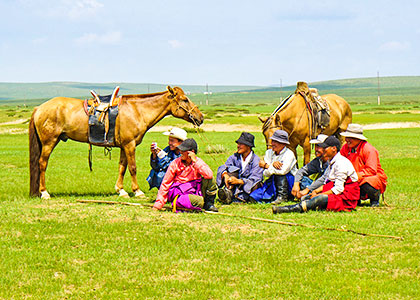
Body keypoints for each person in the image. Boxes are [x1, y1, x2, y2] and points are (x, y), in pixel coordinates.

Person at [272, 136, 360, 214]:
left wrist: (318, 195)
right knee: (306, 198)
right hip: (333, 189)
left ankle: (289, 209)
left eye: (325, 147)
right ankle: (306, 204)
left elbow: (338, 189)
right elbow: (327, 181)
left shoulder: (341, 163)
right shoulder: (331, 161)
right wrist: (315, 191)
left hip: (346, 196)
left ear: (334, 149)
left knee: (319, 199)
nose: (323, 150)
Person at [152, 138, 218, 212]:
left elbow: (209, 175)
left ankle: (209, 204)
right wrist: (158, 204)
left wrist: (195, 162)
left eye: (183, 151)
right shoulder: (175, 163)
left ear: (191, 152)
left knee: (210, 179)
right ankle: (202, 203)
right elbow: (165, 183)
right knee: (199, 201)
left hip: (196, 190)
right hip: (181, 194)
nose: (180, 152)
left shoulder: (197, 162)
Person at [340, 124, 387, 207]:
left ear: (358, 138)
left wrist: (355, 176)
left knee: (370, 181)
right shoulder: (345, 148)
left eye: (351, 138)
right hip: (352, 177)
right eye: (347, 137)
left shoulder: (369, 150)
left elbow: (371, 170)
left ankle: (374, 199)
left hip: (364, 178)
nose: (347, 140)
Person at [250, 130, 298, 204]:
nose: (272, 144)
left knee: (281, 175)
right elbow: (266, 173)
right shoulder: (269, 153)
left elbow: (282, 171)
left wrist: (267, 166)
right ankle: (275, 196)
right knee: (253, 197)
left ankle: (283, 197)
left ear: (283, 144)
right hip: (273, 181)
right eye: (273, 141)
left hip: (288, 182)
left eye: (276, 142)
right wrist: (273, 165)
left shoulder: (289, 154)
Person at [216, 132, 263, 203]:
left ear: (248, 146)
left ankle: (233, 196)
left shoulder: (256, 160)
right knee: (230, 170)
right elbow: (224, 166)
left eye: (241, 144)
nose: (238, 146)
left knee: (256, 185)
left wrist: (239, 181)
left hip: (248, 188)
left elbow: (256, 178)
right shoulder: (234, 157)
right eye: (238, 144)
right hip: (234, 186)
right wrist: (225, 174)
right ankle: (228, 193)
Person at [291, 134, 329, 200]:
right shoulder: (318, 160)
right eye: (315, 146)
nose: (316, 149)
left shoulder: (331, 162)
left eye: (319, 147)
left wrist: (308, 189)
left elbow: (324, 178)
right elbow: (301, 171)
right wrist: (296, 184)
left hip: (328, 186)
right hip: (317, 186)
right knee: (301, 179)